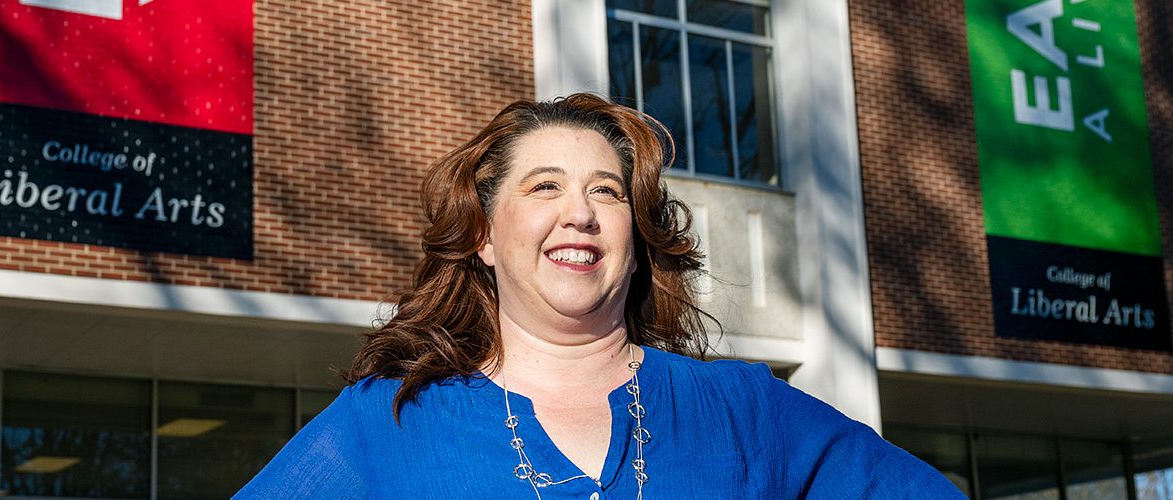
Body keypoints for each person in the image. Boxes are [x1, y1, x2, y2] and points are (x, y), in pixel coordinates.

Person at [235, 94, 962, 499]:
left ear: (635, 238)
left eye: (607, 192)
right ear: (484, 235)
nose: (579, 213)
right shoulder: (389, 419)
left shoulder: (745, 411)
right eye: (544, 186)